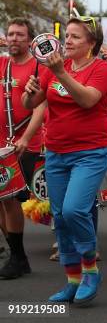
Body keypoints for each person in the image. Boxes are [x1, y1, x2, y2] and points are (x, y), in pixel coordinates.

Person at [23, 16, 107, 304]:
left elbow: (87, 100)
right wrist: (29, 93)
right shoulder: (53, 67)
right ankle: (73, 281)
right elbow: (30, 105)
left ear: (92, 44)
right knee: (59, 218)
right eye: (68, 36)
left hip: (90, 152)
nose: (68, 41)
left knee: (74, 210)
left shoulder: (101, 69)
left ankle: (90, 268)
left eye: (75, 37)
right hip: (56, 153)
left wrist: (61, 73)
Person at [0, 18, 45, 279]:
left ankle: (17, 257)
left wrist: (26, 138)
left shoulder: (36, 67)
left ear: (29, 40)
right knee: (2, 201)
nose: (14, 38)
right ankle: (16, 253)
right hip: (1, 142)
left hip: (23, 144)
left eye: (20, 34)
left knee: (9, 200)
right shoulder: (2, 64)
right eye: (10, 34)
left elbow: (40, 106)